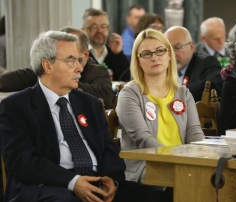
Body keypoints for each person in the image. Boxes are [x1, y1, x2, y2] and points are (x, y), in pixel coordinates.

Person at [0, 30, 171, 202]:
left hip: (97, 182)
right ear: (47, 66)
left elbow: (108, 150)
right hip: (50, 185)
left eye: (79, 60)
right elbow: (22, 162)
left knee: (159, 197)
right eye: (71, 60)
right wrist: (73, 181)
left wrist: (112, 180)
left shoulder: (90, 104)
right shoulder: (16, 106)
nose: (80, 68)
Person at [116, 29, 205, 183]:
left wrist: (204, 157)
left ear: (169, 54)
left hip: (183, 166)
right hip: (147, 168)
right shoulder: (129, 94)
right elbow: (144, 139)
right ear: (138, 61)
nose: (154, 58)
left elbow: (194, 133)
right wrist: (177, 161)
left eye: (159, 51)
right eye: (146, 54)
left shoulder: (183, 93)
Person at [0, 27, 114, 109]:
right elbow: (24, 76)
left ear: (85, 55)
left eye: (73, 58)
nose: (77, 67)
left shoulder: (96, 71)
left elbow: (105, 97)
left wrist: (63, 82)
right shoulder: (49, 69)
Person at [164, 26, 223, 102]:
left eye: (177, 48)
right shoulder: (163, 67)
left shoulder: (206, 62)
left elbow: (216, 83)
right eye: (167, 49)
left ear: (191, 46)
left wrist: (177, 93)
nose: (171, 54)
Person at [82, 8, 130, 81]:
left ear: (108, 29)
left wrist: (118, 54)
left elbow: (126, 80)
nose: (99, 30)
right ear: (83, 30)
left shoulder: (113, 54)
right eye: (94, 27)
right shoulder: (80, 55)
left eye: (103, 26)